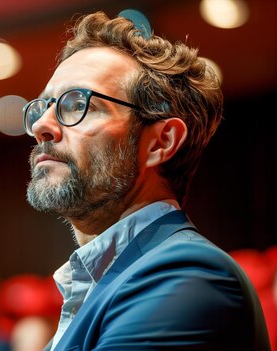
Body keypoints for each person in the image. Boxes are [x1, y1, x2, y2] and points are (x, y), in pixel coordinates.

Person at [22, 9, 270, 351]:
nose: (41, 126)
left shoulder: (186, 276)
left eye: (77, 103)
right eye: (43, 106)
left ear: (161, 142)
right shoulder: (110, 279)